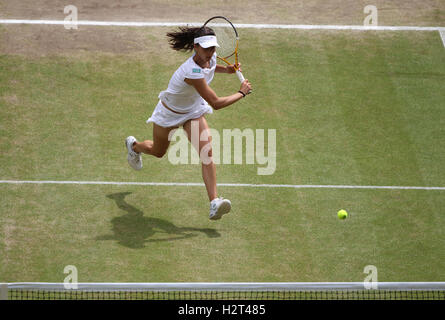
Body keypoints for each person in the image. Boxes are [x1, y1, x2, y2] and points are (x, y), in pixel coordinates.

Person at [125, 26, 252, 220]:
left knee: (206, 152)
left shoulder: (211, 57)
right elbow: (216, 103)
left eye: (213, 48)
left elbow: (210, 67)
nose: (211, 52)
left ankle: (214, 202)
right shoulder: (191, 71)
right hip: (168, 114)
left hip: (192, 111)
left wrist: (226, 70)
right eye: (207, 48)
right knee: (159, 152)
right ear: (196, 47)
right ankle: (134, 147)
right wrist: (241, 92)